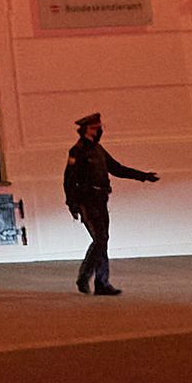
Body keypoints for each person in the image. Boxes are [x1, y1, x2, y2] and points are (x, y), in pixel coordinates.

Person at [64, 112, 156, 295]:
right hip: (87, 200)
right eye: (95, 128)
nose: (99, 131)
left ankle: (101, 283)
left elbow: (117, 169)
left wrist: (143, 176)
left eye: (100, 128)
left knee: (102, 240)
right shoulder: (77, 151)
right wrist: (72, 204)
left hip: (101, 199)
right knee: (100, 239)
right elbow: (68, 180)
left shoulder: (98, 150)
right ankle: (86, 277)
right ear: (85, 130)